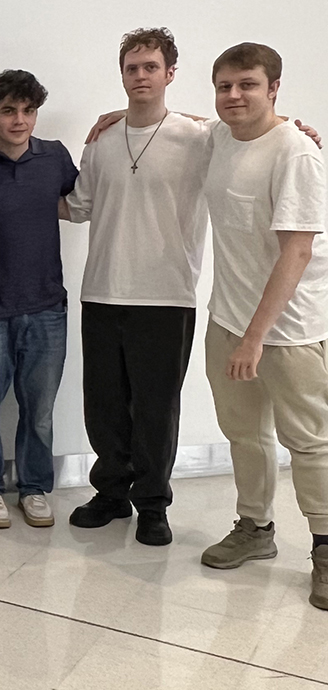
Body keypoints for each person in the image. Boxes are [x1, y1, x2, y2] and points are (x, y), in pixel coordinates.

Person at [62, 28, 211, 546]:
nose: (141, 75)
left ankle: (152, 503)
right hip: (102, 289)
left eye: (151, 67)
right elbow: (77, 206)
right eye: (132, 67)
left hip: (166, 295)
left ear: (170, 73)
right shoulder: (101, 139)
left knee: (155, 406)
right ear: (121, 74)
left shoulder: (199, 138)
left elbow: (251, 137)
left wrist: (294, 126)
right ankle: (111, 493)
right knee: (103, 403)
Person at [196, 43, 328, 611]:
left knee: (310, 442)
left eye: (247, 84)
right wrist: (111, 117)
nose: (233, 96)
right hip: (228, 317)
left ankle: (325, 551)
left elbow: (296, 252)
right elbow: (175, 124)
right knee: (244, 434)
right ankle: (255, 528)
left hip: (288, 331)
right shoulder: (220, 136)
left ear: (274, 87)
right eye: (224, 86)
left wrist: (256, 338)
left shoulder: (296, 152)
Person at [0, 70, 79, 529]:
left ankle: (35, 488)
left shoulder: (55, 157)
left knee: (39, 410)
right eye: (9, 111)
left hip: (45, 308)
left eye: (28, 111)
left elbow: (90, 196)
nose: (19, 120)